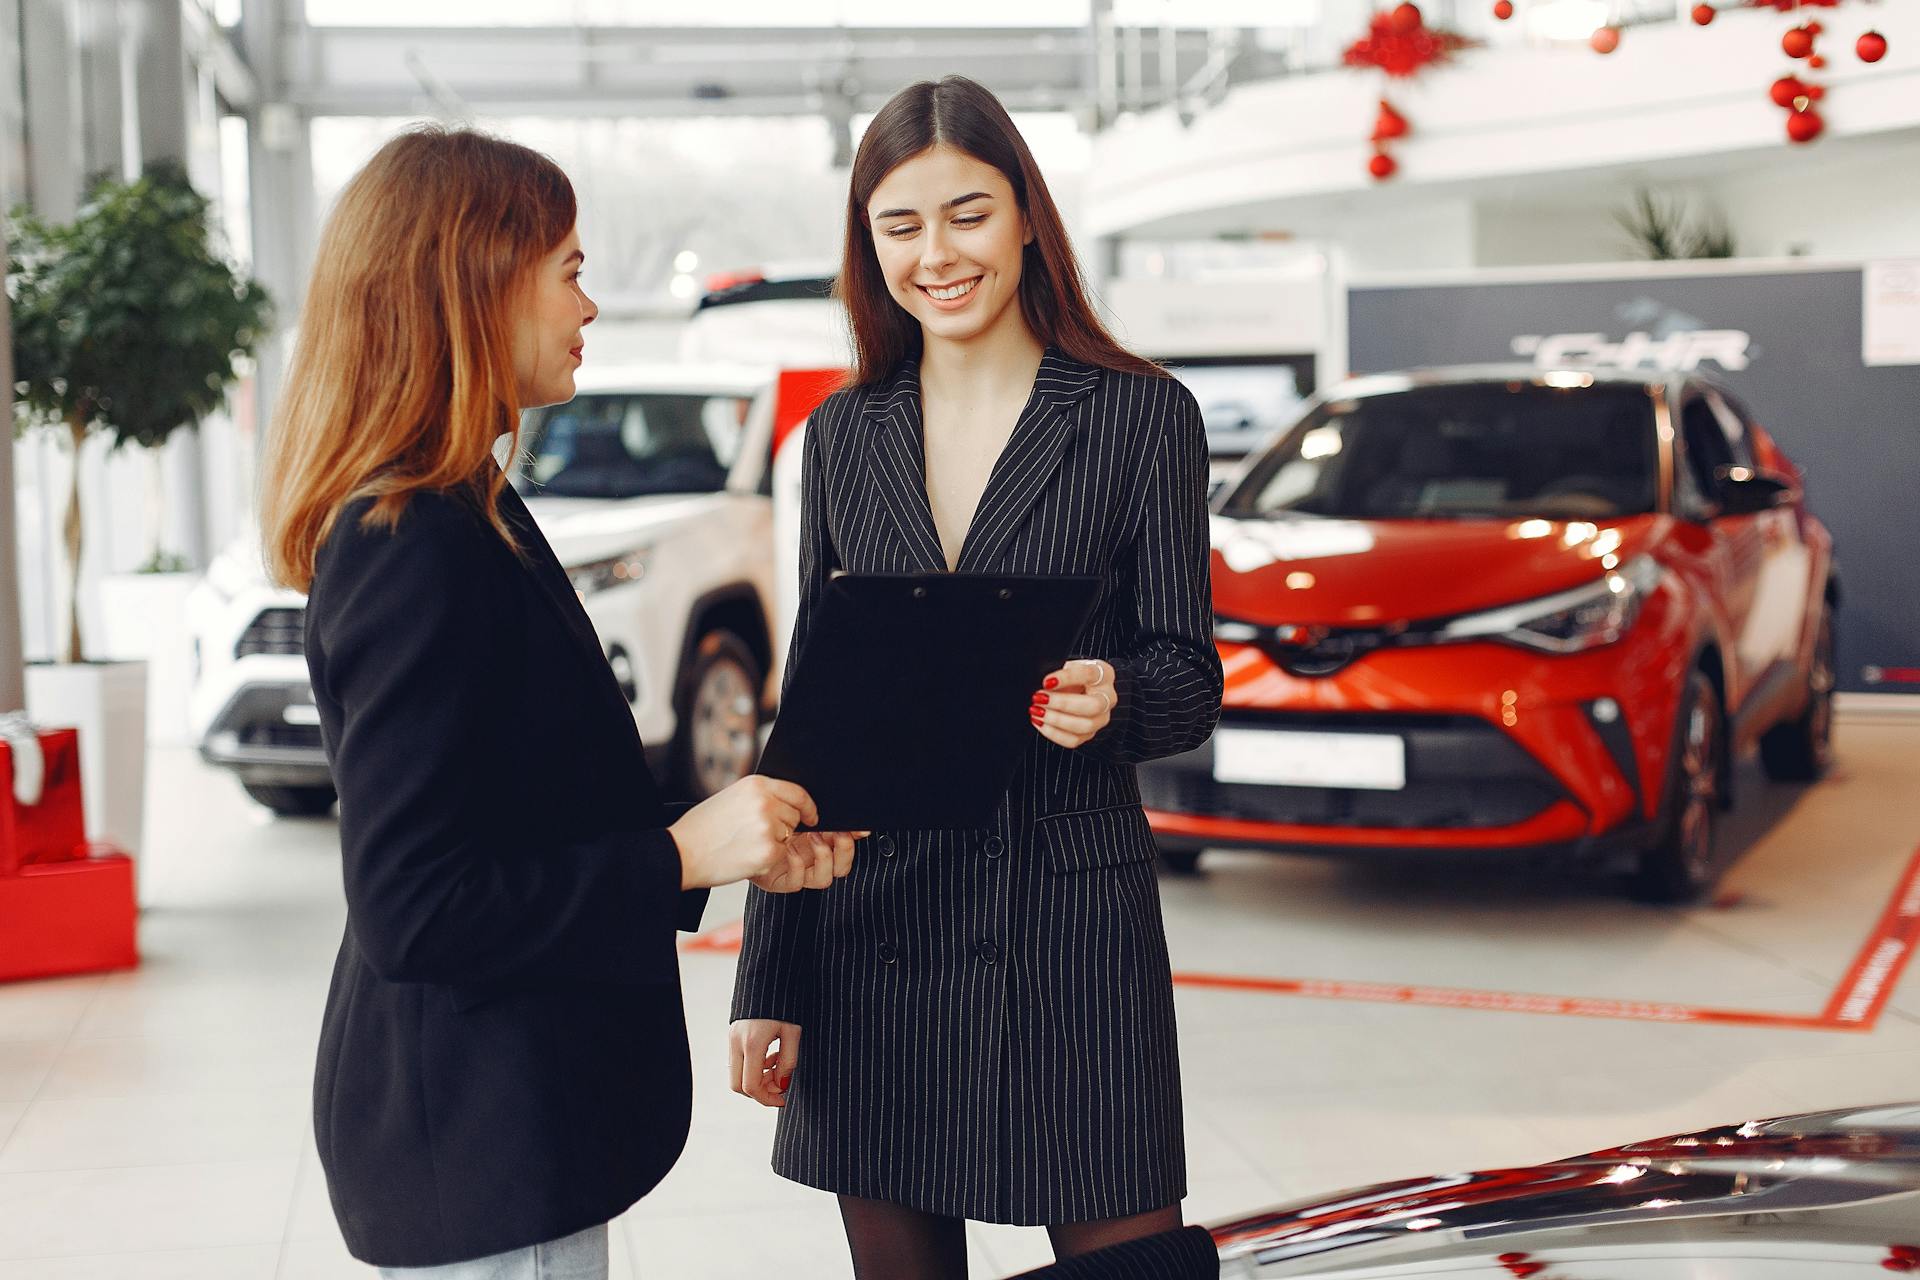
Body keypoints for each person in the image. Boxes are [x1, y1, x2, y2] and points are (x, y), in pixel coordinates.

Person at [258, 126, 858, 1279]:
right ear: (473, 280)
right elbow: (416, 906)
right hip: (478, 1154)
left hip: (500, 1128)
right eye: (571, 270)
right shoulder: (411, 539)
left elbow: (516, 803)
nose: (590, 307)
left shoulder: (467, 502)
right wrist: (679, 853)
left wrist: (726, 845)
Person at [728, 77, 1223, 1278]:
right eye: (900, 226)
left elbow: (1188, 672)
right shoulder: (846, 434)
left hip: (1069, 925)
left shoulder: (1140, 416)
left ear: (1027, 220)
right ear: (869, 245)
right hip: (876, 925)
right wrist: (767, 976)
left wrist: (1114, 700)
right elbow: (816, 713)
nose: (937, 255)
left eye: (968, 214)